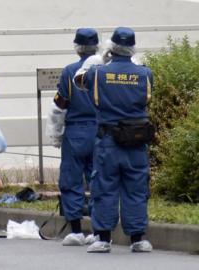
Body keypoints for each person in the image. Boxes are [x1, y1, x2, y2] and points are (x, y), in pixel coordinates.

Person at [74, 27, 154, 253]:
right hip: (137, 140)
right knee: (136, 188)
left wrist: (101, 61)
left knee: (104, 187)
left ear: (111, 47)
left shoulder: (98, 73)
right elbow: (146, 97)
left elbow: (79, 80)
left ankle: (103, 238)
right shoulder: (145, 74)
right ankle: (138, 239)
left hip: (108, 140)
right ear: (133, 48)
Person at [46, 28, 99, 246]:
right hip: (100, 131)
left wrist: (56, 134)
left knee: (71, 180)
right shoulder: (105, 69)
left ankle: (76, 229)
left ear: (77, 47)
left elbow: (60, 106)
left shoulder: (69, 72)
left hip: (75, 131)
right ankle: (99, 231)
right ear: (97, 45)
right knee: (99, 181)